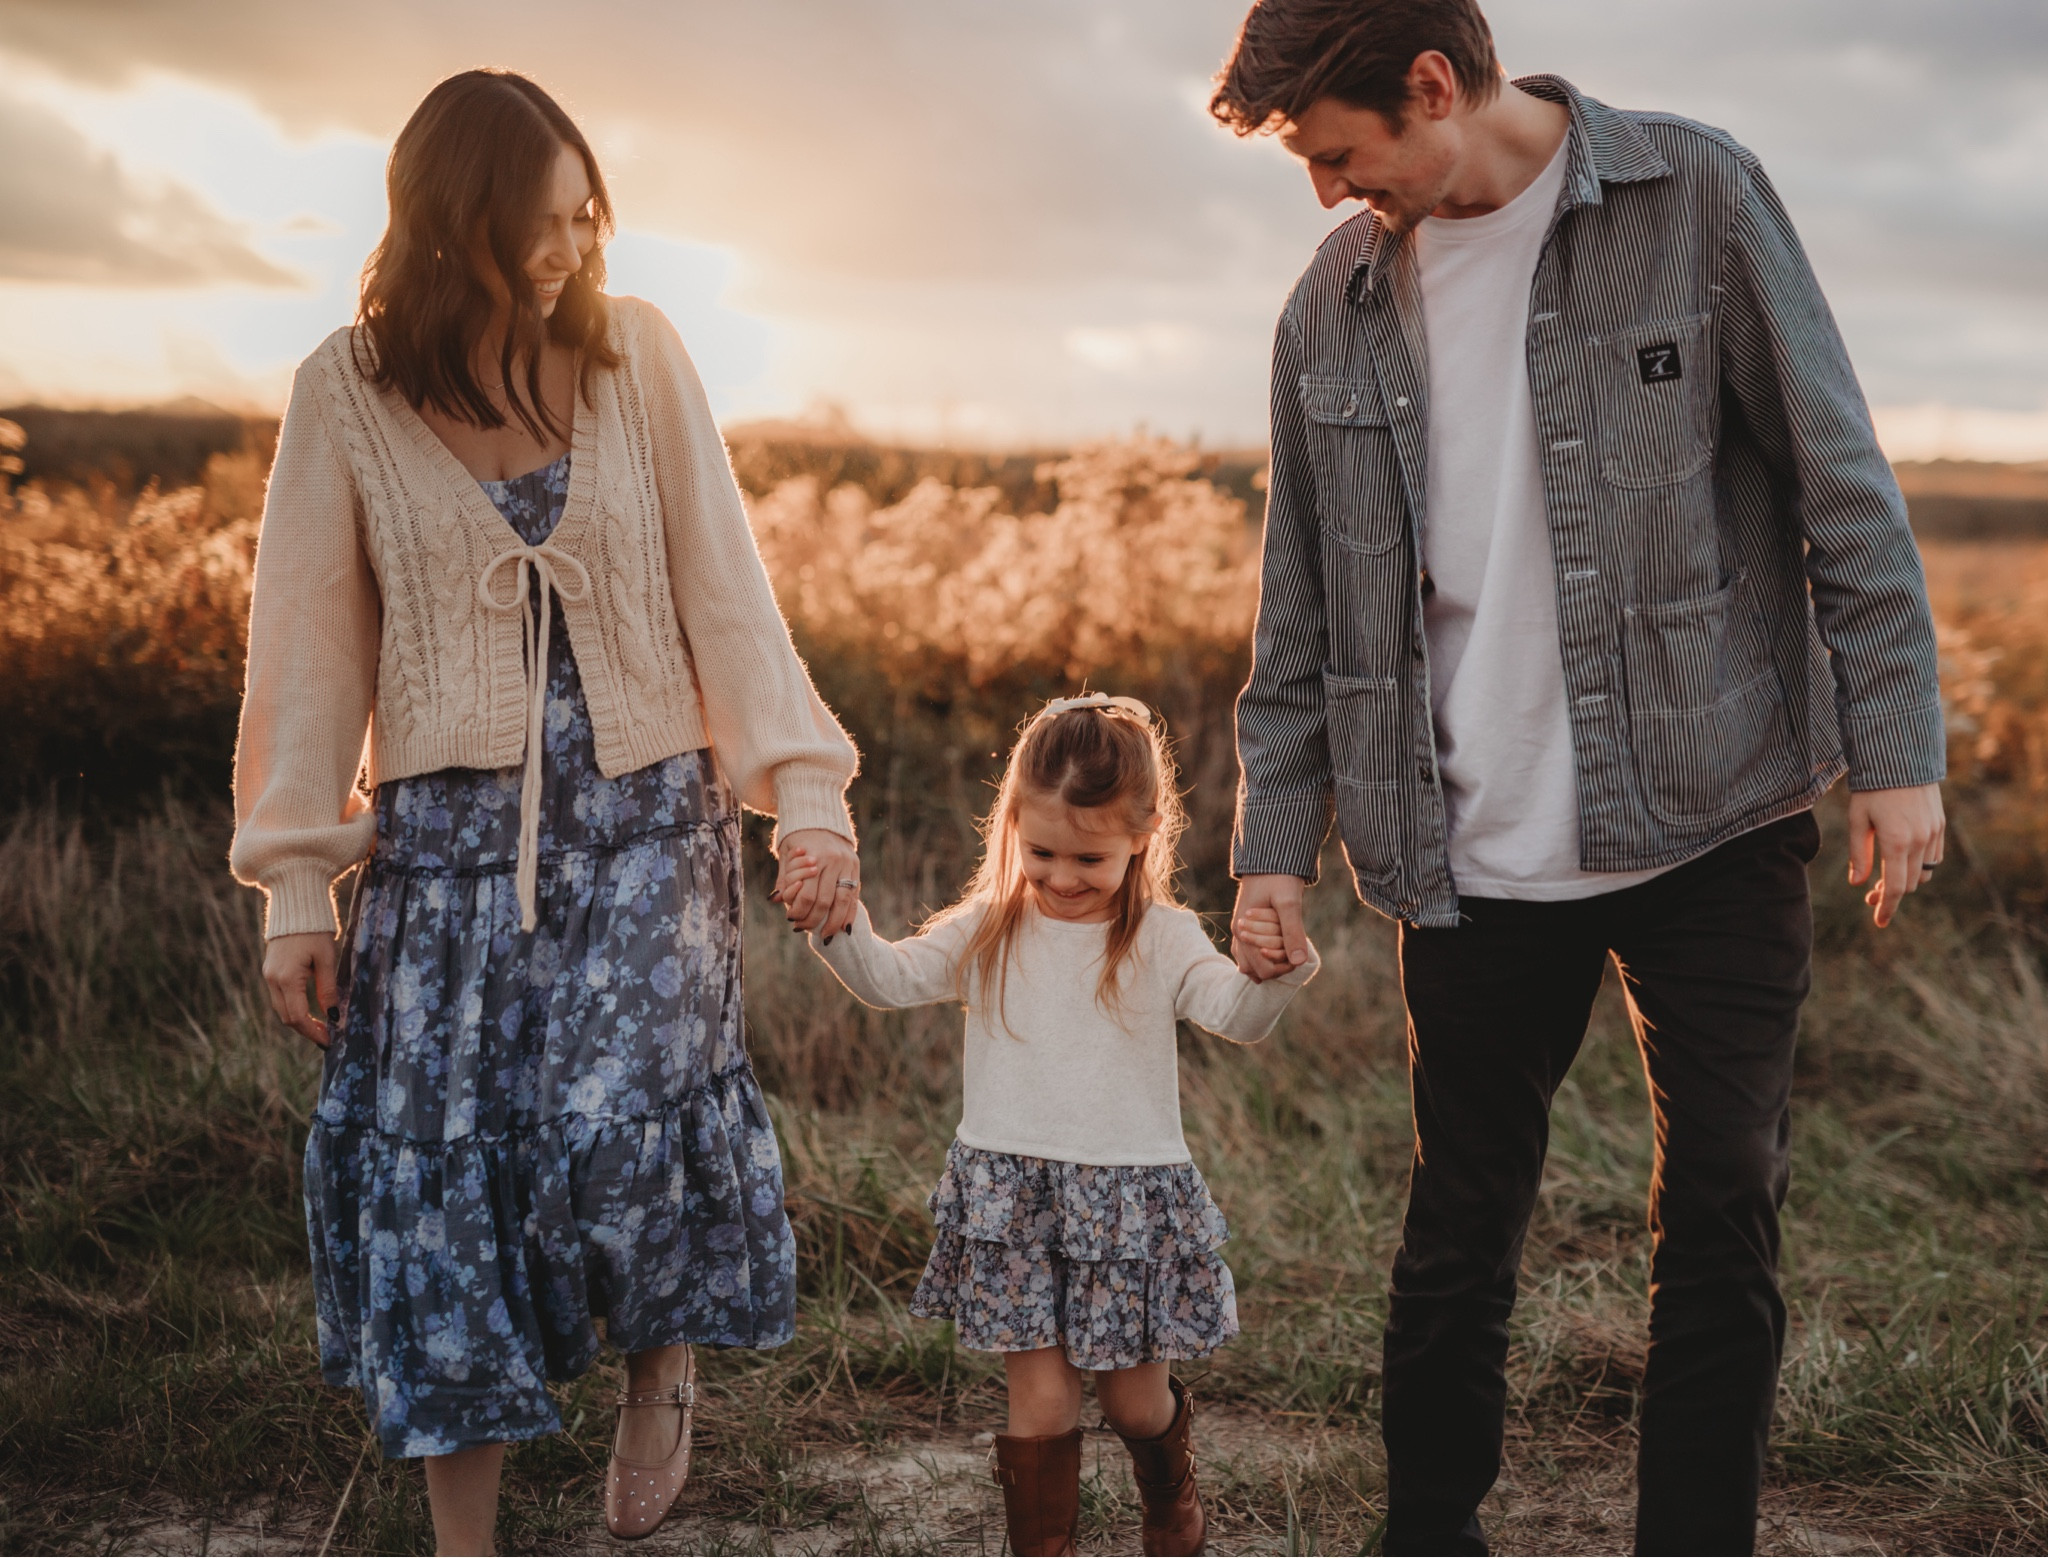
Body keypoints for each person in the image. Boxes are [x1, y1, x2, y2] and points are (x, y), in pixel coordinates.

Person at [1209, 2, 1947, 1552]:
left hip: (1719, 816)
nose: (1335, 194)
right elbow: (1299, 611)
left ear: (1431, 86)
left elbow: (1844, 488)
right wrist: (1272, 843)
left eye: (1344, 156)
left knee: (1723, 1212)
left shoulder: (1696, 199)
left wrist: (1896, 756)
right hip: (1467, 849)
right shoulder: (1330, 307)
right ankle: (1431, 1534)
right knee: (1458, 1225)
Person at [229, 70, 865, 1554]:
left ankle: (662, 1367)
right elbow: (307, 657)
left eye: (591, 215)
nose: (575, 248)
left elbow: (729, 591)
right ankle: (470, 1538)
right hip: (447, 861)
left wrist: (806, 797)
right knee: (443, 1176)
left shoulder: (639, 357)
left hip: (649, 831)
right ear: (458, 221)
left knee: (625, 1133)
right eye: (544, 221)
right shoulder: (346, 390)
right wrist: (298, 888)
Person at [783, 693, 1318, 1556]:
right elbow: (888, 978)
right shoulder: (989, 928)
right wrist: (839, 928)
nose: (1062, 877)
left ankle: (1170, 1496)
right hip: (1012, 1198)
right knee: (1039, 1404)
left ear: (1142, 835)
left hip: (1127, 1202)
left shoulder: (1165, 936)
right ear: (1012, 827)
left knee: (1134, 1401)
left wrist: (1274, 973)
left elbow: (1237, 1015)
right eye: (1041, 852)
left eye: (1090, 858)